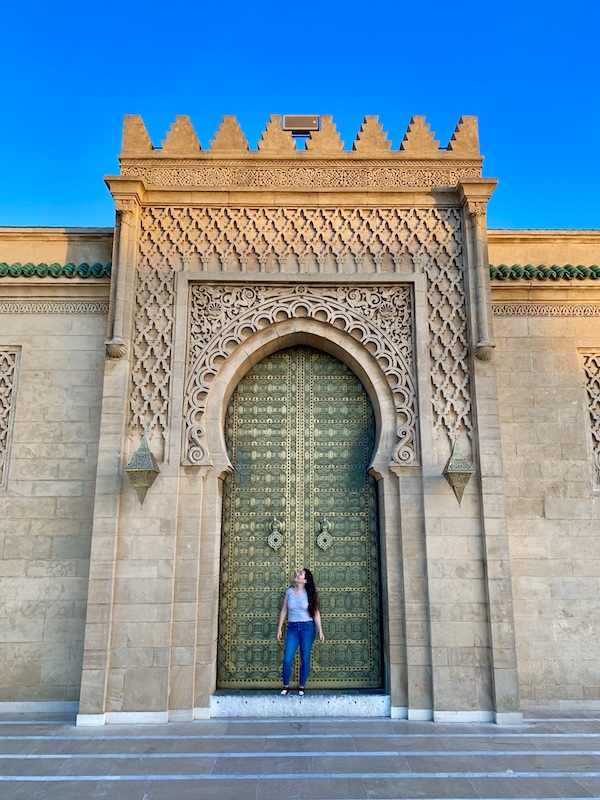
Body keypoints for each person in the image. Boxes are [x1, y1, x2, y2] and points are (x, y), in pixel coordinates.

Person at [276, 568, 325, 696]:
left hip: (307, 628)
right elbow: (284, 611)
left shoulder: (310, 594)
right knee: (287, 659)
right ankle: (286, 687)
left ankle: (302, 687)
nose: (297, 575)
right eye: (298, 573)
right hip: (292, 627)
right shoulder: (289, 592)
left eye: (300, 574)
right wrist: (279, 628)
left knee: (305, 658)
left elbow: (316, 613)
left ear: (305, 580)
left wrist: (320, 631)